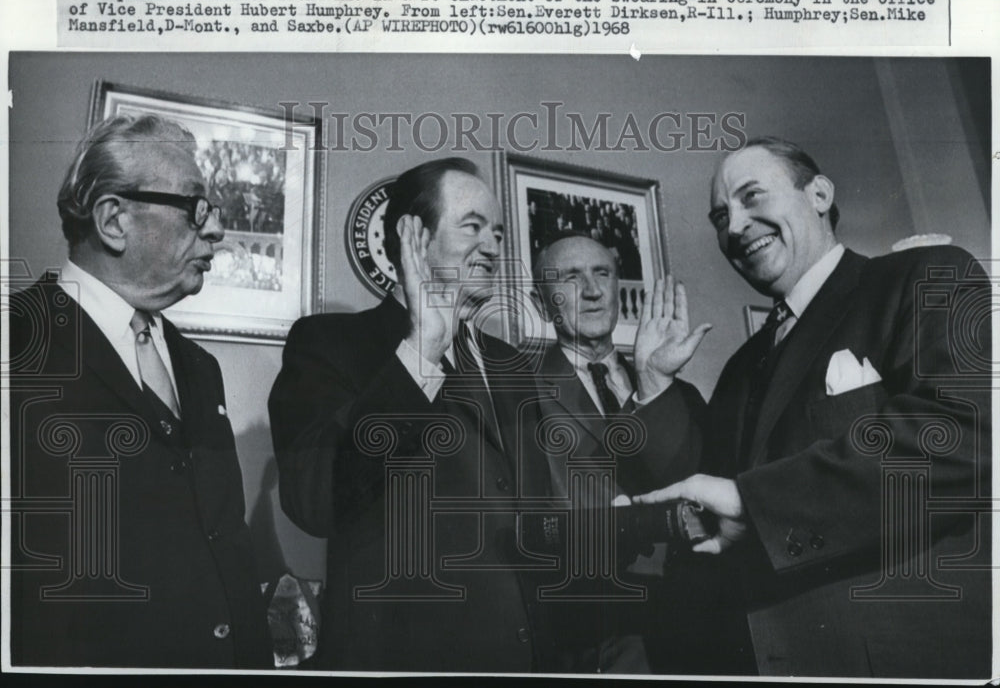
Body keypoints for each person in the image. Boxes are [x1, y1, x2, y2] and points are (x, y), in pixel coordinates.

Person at [636, 137, 992, 678]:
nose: (734, 227)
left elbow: (960, 439)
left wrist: (753, 504)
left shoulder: (926, 276)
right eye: (720, 216)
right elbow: (707, 498)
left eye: (752, 196)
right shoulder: (740, 367)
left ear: (820, 193)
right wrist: (655, 380)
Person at [269, 158, 555, 671]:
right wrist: (420, 353)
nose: (492, 246)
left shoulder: (510, 364)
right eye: (473, 227)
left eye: (498, 232)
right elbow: (312, 499)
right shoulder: (330, 343)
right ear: (414, 236)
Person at [8, 114, 271, 668]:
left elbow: (224, 546)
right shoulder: (16, 343)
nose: (217, 228)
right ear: (114, 220)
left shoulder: (200, 368)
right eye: (195, 206)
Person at [529, 231, 710, 673]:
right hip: (593, 633)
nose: (591, 291)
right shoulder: (518, 395)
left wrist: (653, 385)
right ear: (540, 302)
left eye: (602, 273)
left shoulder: (678, 392)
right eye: (570, 278)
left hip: (693, 620)